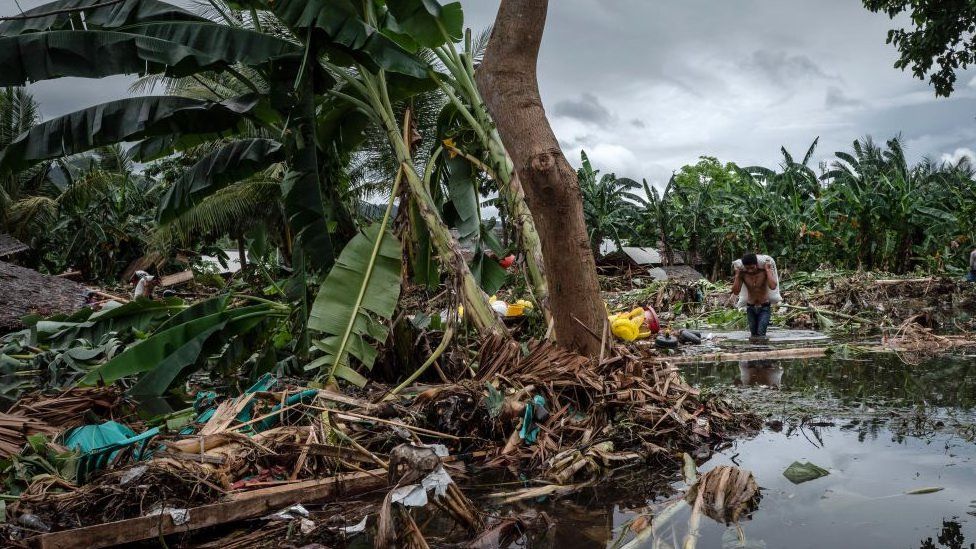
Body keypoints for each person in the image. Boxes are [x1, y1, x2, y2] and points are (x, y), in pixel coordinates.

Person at [731, 253, 778, 344]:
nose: (750, 271)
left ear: (757, 264)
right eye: (747, 268)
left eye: (752, 267)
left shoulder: (764, 272)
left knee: (761, 334)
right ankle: (754, 353)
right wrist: (737, 275)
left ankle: (763, 355)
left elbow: (773, 286)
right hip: (751, 308)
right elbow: (736, 291)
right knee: (753, 335)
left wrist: (768, 270)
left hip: (764, 308)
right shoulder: (743, 275)